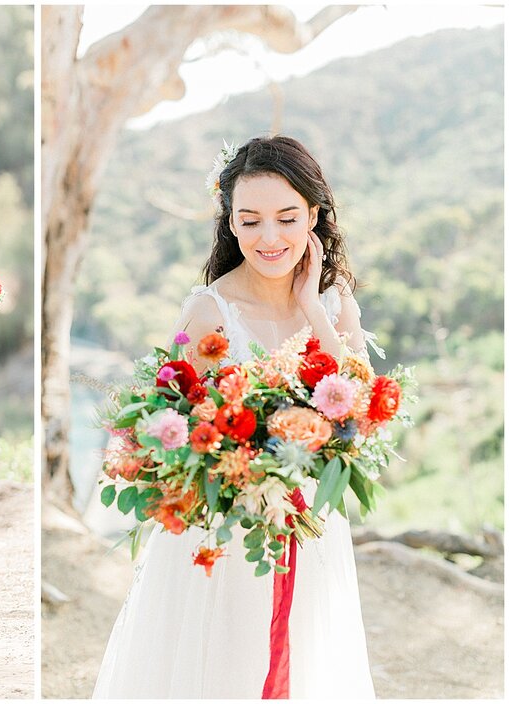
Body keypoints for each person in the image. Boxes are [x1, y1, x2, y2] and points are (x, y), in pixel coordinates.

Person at [93, 135, 379, 698]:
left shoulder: (334, 300)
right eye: (249, 222)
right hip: (226, 532)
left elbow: (364, 411)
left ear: (314, 217)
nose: (269, 239)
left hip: (311, 526)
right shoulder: (210, 311)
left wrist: (313, 311)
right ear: (230, 224)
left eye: (286, 218)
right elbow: (174, 433)